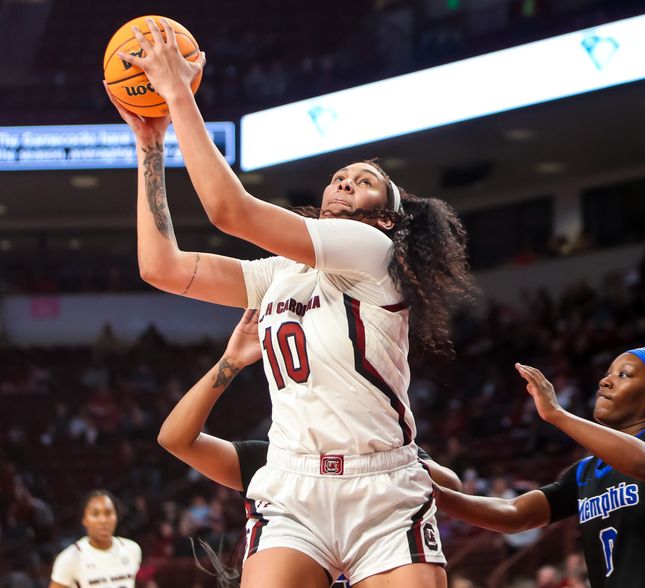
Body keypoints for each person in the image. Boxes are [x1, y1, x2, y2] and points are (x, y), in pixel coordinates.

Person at [106, 18, 474, 588]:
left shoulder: (374, 253)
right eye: (339, 177)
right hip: (292, 484)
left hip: (382, 486)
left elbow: (230, 212)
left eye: (366, 181)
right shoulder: (282, 272)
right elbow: (162, 268)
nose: (346, 183)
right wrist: (149, 145)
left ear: (387, 217)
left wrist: (177, 93)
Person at [158, 309, 463, 587]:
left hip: (381, 495)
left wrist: (404, 468)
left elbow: (451, 485)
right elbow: (175, 438)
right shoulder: (269, 462)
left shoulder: (388, 452)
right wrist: (231, 362)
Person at [435, 347, 645, 588]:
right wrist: (434, 493)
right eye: (608, 373)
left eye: (623, 375)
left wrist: (557, 414)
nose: (605, 381)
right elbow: (514, 514)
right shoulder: (585, 473)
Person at [48, 490, 141, 588]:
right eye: (95, 514)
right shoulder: (70, 558)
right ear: (84, 520)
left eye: (108, 513)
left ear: (116, 517)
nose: (103, 520)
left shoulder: (132, 549)